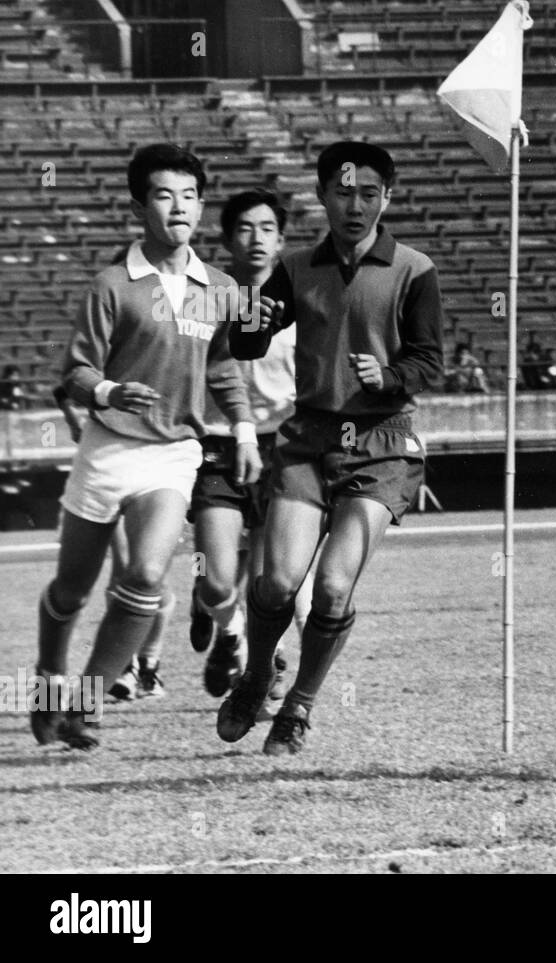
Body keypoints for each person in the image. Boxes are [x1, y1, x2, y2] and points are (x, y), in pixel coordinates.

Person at [31, 143, 259, 749]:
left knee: (147, 575)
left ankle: (85, 703)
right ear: (140, 207)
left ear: (202, 206)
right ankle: (50, 679)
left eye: (189, 195)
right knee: (72, 590)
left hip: (174, 453)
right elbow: (77, 371)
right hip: (107, 451)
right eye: (164, 194)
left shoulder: (220, 288)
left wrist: (242, 429)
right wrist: (108, 390)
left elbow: (222, 368)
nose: (178, 206)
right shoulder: (113, 284)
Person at [223, 141, 443, 756]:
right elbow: (247, 345)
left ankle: (298, 708)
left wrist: (391, 376)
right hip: (308, 440)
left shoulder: (415, 270)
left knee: (333, 588)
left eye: (369, 193)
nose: (356, 204)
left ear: (387, 197)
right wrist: (248, 315)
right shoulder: (296, 267)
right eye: (343, 192)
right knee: (275, 584)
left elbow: (430, 360)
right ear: (321, 195)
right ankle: (257, 673)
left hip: (383, 442)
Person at [188, 190, 309, 704]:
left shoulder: (304, 304)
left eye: (266, 229)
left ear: (281, 240)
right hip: (219, 444)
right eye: (244, 228)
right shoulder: (204, 300)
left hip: (282, 447)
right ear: (226, 239)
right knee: (217, 581)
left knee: (270, 582)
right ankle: (228, 629)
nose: (256, 239)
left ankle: (267, 664)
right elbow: (186, 368)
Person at [52, 384, 175, 702]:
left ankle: (149, 662)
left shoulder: (165, 352)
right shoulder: (107, 349)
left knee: (153, 578)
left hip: (162, 467)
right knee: (123, 572)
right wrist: (74, 419)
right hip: (109, 465)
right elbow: (66, 384)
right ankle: (127, 668)